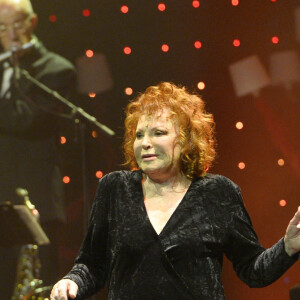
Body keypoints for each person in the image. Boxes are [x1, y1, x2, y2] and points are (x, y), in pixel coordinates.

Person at [51, 82, 299, 300]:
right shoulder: (115, 188)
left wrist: (288, 247)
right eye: (139, 135)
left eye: (158, 133)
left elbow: (253, 270)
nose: (145, 142)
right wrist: (71, 281)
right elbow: (91, 265)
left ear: (185, 140)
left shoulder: (218, 193)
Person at [0, 0, 76, 299]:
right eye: (2, 28)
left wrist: (11, 68)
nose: (11, 34)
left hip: (33, 202)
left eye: (17, 25)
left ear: (32, 22)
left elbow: (22, 119)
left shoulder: (55, 69)